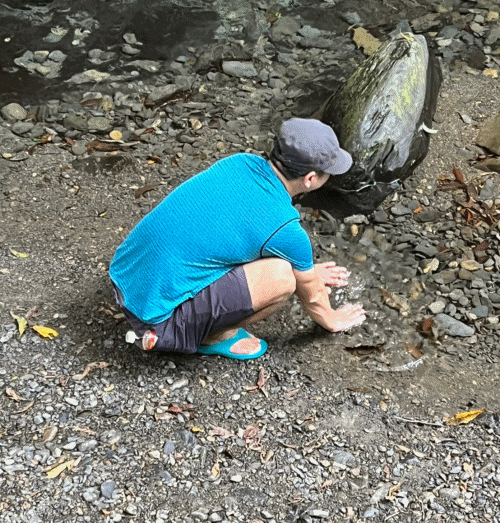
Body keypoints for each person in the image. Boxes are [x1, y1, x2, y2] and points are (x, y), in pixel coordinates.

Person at [109, 117, 366, 360]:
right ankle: (209, 337)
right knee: (282, 277)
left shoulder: (240, 163)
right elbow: (313, 297)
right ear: (310, 179)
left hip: (125, 275)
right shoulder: (286, 228)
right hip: (156, 320)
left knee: (266, 255)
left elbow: (238, 232)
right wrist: (332, 318)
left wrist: (305, 271)